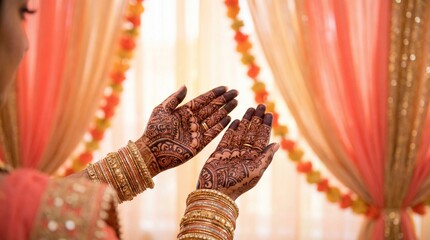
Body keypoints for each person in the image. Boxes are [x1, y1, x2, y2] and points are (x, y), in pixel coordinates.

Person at [0, 0, 279, 239]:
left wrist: (144, 156)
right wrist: (213, 206)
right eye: (23, 13)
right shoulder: (17, 207)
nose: (25, 44)